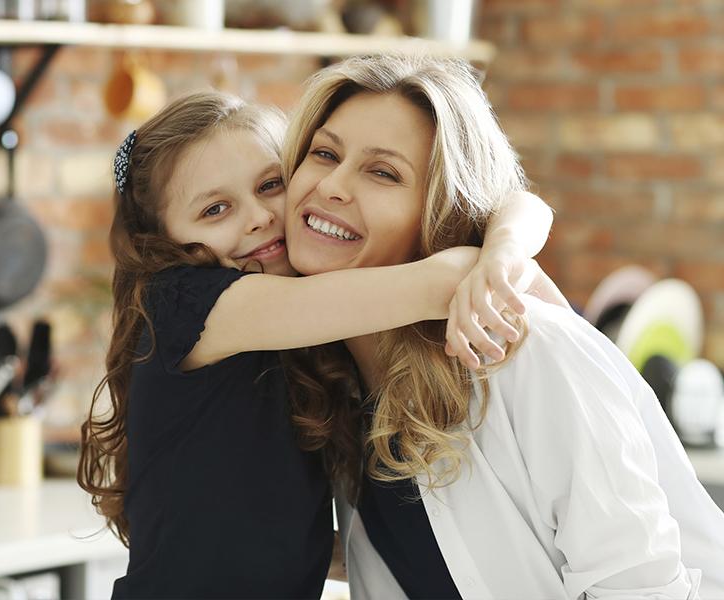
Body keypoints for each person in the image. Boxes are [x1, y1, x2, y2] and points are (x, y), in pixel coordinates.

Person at [77, 90, 553, 599]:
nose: (259, 216)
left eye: (270, 185)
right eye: (216, 209)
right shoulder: (186, 303)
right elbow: (446, 278)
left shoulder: (295, 334)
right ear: (163, 240)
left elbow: (527, 206)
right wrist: (501, 253)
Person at [281, 53, 724, 599]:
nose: (331, 186)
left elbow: (640, 588)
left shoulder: (526, 352)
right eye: (324, 153)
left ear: (440, 217)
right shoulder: (341, 383)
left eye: (383, 172)